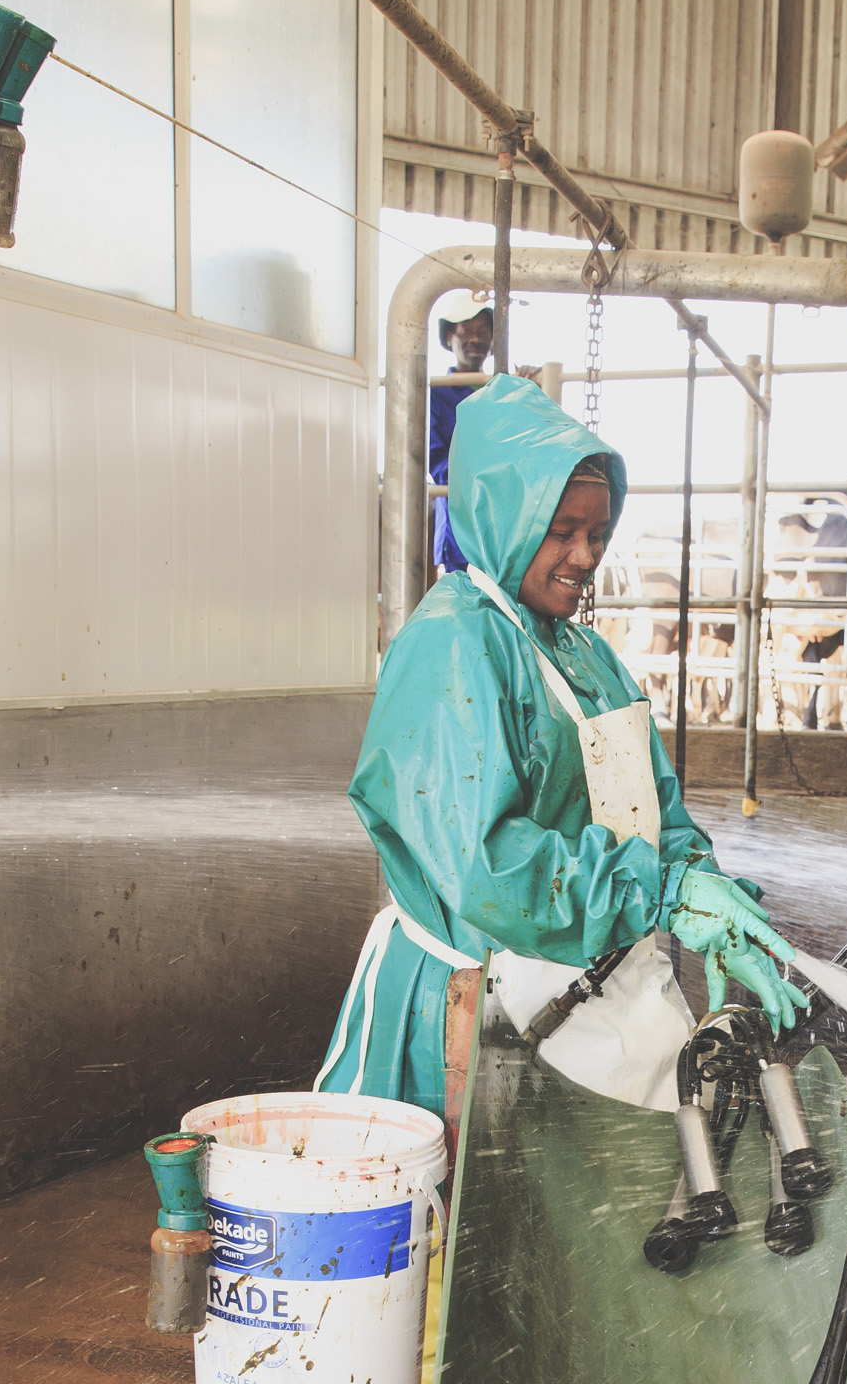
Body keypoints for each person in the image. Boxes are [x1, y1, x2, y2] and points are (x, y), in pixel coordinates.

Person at [319, 376, 804, 1155]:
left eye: (598, 532)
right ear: (504, 520)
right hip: (484, 999)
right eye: (563, 532)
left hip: (600, 982)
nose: (586, 556)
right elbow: (485, 866)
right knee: (463, 1211)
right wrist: (656, 891)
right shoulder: (454, 644)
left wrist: (702, 886)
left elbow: (652, 807)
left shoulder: (584, 653)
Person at [428, 302, 493, 578]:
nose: (476, 339)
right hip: (459, 527)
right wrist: (485, 479)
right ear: (449, 338)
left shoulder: (503, 389)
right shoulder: (436, 393)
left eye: (484, 331)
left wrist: (534, 383)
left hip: (501, 525)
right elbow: (436, 461)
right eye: (466, 331)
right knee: (462, 595)